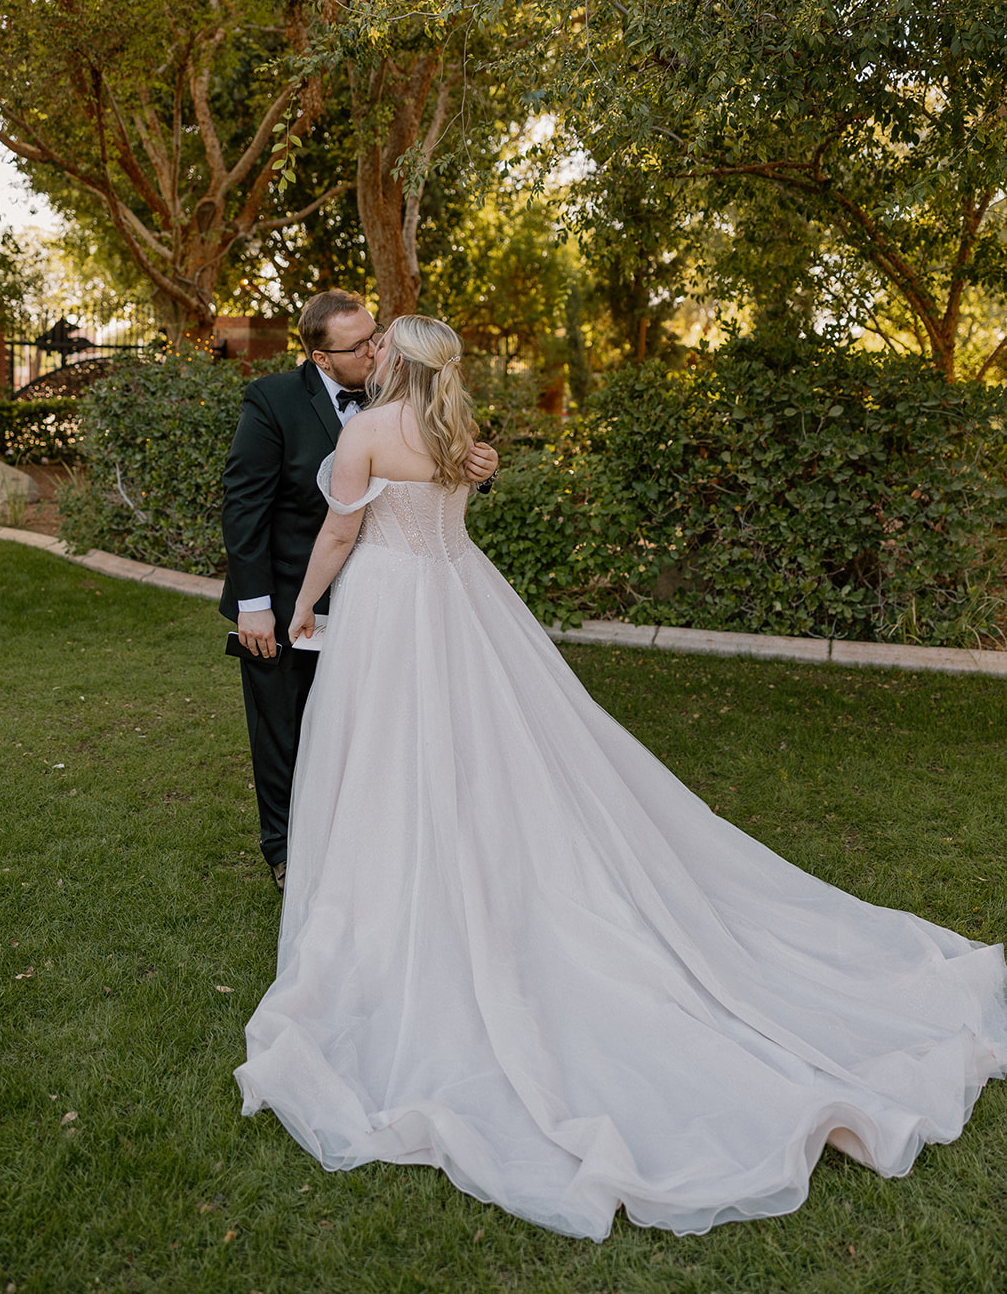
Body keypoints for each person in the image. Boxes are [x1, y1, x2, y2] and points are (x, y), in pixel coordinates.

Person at [235, 315, 1007, 1241]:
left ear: (390, 361)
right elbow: (446, 515)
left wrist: (306, 608)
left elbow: (336, 538)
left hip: (394, 613)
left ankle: (400, 892)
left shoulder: (364, 433)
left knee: (390, 754)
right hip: (460, 600)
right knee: (492, 749)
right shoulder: (455, 440)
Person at [220, 292, 497, 891]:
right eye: (359, 345)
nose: (373, 350)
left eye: (377, 337)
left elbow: (439, 473)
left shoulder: (401, 396)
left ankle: (372, 846)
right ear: (321, 357)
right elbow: (244, 508)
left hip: (386, 601)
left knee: (375, 729)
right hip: (293, 595)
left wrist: (485, 467)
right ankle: (287, 852)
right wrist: (257, 606)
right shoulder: (272, 400)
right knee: (284, 728)